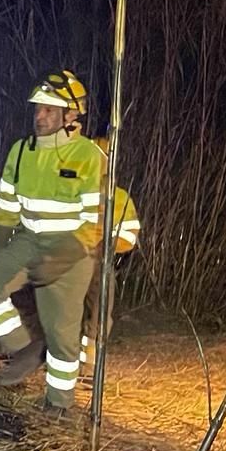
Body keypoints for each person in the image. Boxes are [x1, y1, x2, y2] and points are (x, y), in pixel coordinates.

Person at [0, 70, 102, 415]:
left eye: (48, 110)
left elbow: (96, 220)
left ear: (70, 115)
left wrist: (63, 256)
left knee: (62, 335)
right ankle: (24, 350)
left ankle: (57, 406)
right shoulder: (20, 151)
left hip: (72, 252)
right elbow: (7, 207)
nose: (39, 117)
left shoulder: (89, 156)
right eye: (37, 109)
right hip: (28, 241)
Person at [80, 137, 142, 373]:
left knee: (100, 306)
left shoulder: (119, 199)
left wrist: (108, 244)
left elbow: (129, 236)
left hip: (99, 260)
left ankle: (89, 362)